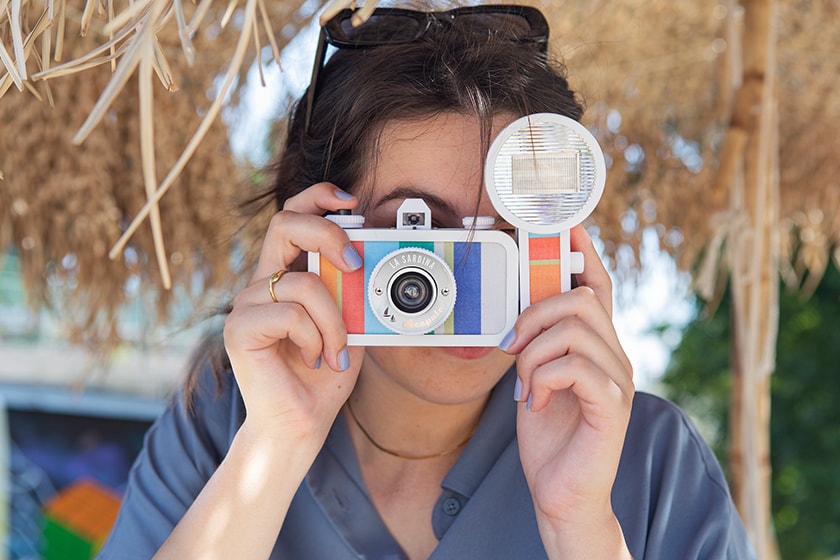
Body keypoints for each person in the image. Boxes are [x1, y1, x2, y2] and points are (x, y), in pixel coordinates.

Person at [98, 4, 757, 559]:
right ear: (317, 235)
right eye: (420, 233)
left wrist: (579, 524)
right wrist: (274, 446)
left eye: (510, 235)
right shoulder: (223, 425)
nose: (466, 283)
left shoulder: (649, 458)